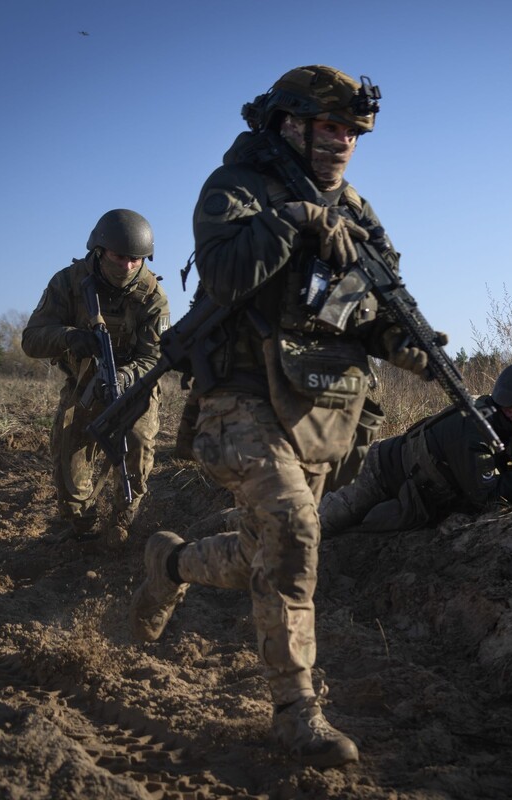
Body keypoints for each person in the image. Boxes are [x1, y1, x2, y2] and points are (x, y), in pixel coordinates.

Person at [129, 65, 436, 769]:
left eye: (351, 131)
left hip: (320, 404)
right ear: (287, 123)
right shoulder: (235, 188)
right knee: (296, 529)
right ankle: (296, 712)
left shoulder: (358, 211)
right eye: (328, 127)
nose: (341, 142)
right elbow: (229, 274)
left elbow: (371, 307)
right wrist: (295, 220)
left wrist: (417, 351)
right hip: (236, 395)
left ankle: (170, 562)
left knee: (271, 552)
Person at [22, 209, 169, 548]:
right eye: (121, 256)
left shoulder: (152, 296)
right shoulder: (68, 282)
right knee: (70, 477)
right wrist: (69, 337)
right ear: (100, 250)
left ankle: (122, 521)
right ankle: (83, 528)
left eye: (137, 259)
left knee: (136, 446)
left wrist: (123, 375)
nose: (129, 266)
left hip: (135, 389)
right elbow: (31, 340)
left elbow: (156, 358)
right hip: (83, 385)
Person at [318, 361, 512, 535]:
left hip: (412, 487)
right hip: (375, 469)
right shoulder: (474, 428)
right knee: (320, 525)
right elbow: (487, 497)